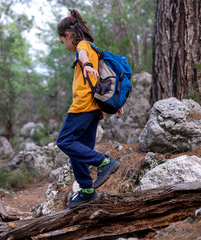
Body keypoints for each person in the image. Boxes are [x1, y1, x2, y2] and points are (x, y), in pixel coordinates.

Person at [56, 9, 123, 209]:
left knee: (64, 141)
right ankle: (86, 190)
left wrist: (84, 65)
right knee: (79, 150)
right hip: (94, 110)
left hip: (82, 107)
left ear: (68, 36)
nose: (65, 47)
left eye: (63, 42)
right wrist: (115, 104)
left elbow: (82, 54)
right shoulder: (95, 49)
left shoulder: (84, 46)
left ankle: (103, 162)